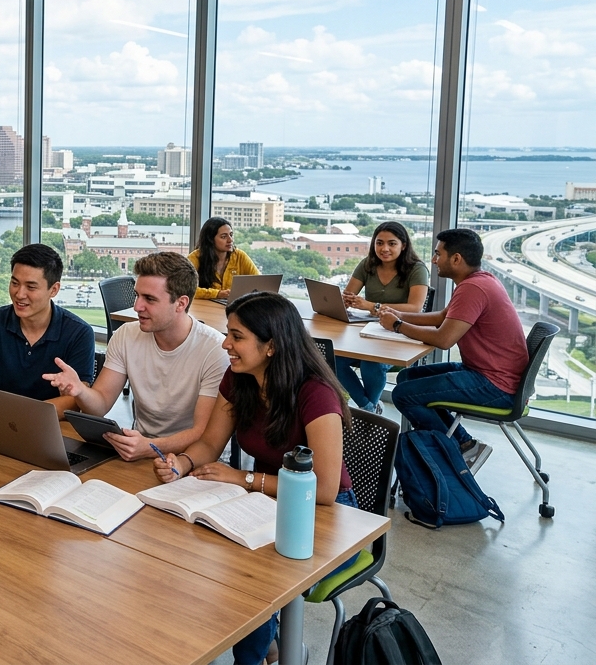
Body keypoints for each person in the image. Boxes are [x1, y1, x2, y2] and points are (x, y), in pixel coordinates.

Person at [152, 291, 354, 665]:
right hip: (263, 500)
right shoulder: (240, 378)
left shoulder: (315, 393)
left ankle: (254, 657)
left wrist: (242, 479)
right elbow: (211, 442)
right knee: (193, 546)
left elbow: (325, 488)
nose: (225, 344)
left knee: (255, 577)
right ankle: (261, 646)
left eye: (237, 336)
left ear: (271, 347)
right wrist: (181, 462)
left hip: (326, 516)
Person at [42, 252, 229, 460]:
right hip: (137, 450)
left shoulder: (214, 350)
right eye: (137, 295)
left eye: (149, 299)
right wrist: (79, 392)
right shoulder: (126, 335)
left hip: (192, 457)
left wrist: (150, 446)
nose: (137, 307)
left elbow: (202, 432)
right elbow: (100, 404)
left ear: (181, 303)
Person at [380, 228, 528, 473]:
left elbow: (444, 338)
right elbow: (442, 317)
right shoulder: (480, 280)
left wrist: (397, 326)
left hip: (495, 385)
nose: (434, 260)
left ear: (456, 259)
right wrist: (400, 315)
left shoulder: (473, 289)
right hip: (491, 374)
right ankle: (465, 444)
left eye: (438, 254)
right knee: (407, 377)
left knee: (404, 395)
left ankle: (454, 450)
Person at [0, 243, 95, 419]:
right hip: (6, 425)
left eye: (31, 287)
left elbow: (77, 400)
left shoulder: (79, 333)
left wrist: (21, 413)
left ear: (54, 289)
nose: (19, 294)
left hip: (54, 428)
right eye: (14, 283)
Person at [335, 221, 429, 413]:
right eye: (379, 243)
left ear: (403, 245)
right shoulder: (367, 264)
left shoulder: (417, 269)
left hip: (401, 333)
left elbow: (415, 308)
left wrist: (372, 306)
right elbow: (348, 295)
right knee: (335, 359)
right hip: (368, 332)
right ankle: (370, 407)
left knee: (372, 362)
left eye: (392, 243)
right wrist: (343, 301)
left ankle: (368, 410)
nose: (384, 248)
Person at [188, 217, 259, 300]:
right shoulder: (195, 257)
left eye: (231, 235)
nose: (230, 240)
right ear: (210, 240)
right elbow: (185, 289)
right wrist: (217, 294)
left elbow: (259, 283)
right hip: (203, 308)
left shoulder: (239, 256)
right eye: (224, 236)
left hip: (231, 306)